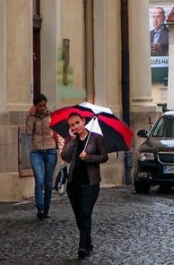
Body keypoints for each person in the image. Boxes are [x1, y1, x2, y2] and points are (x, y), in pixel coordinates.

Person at [61, 113, 108, 259]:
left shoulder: (95, 137)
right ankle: (87, 242)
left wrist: (88, 157)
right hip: (73, 183)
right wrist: (71, 140)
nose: (75, 126)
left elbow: (104, 157)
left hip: (90, 183)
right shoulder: (73, 139)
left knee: (85, 213)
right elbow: (65, 157)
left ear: (83, 121)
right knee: (79, 217)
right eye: (72, 125)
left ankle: (82, 247)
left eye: (77, 123)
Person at [25, 93, 60, 220]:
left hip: (50, 150)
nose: (42, 108)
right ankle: (39, 208)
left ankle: (47, 208)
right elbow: (28, 131)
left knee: (48, 182)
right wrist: (30, 116)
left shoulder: (51, 115)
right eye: (40, 106)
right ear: (35, 106)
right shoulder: (31, 116)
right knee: (39, 180)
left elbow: (56, 130)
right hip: (36, 151)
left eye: (44, 105)